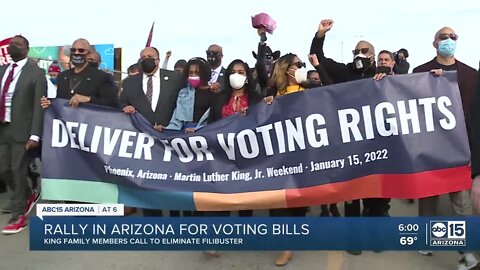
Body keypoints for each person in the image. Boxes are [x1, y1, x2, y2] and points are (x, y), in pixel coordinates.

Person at [310, 20, 382, 255]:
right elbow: (317, 54)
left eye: (364, 51)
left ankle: (374, 234)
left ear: (373, 55)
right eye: (356, 51)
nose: (359, 55)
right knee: (353, 195)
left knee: (375, 197)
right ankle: (354, 238)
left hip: (376, 146)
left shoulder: (381, 75)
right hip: (350, 145)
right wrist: (320, 34)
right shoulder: (344, 72)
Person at [412, 27, 478, 269]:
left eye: (453, 37)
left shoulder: (471, 74)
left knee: (462, 204)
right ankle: (425, 240)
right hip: (430, 150)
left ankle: (466, 253)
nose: (448, 40)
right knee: (428, 200)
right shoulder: (419, 72)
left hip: (461, 150)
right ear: (434, 43)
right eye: (443, 36)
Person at [120, 46, 184, 217]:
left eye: (150, 56)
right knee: (148, 187)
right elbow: (121, 103)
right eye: (142, 57)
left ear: (157, 59)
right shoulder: (129, 83)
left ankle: (175, 224)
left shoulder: (175, 78)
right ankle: (152, 225)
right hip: (144, 143)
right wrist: (125, 107)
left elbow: (187, 100)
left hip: (169, 140)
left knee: (172, 187)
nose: (146, 59)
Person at [265, 53, 309, 266]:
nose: (301, 67)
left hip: (303, 155)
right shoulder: (273, 94)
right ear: (285, 68)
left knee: (298, 201)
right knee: (280, 203)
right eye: (297, 64)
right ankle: (286, 246)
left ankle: (294, 239)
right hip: (279, 158)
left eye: (302, 64)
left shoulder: (310, 90)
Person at [0, 35, 46, 234]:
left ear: (26, 49)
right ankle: (26, 194)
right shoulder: (2, 70)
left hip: (22, 130)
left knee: (17, 171)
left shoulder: (36, 74)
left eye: (17, 44)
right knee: (3, 170)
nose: (13, 47)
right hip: (3, 128)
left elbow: (39, 106)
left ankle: (18, 216)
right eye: (11, 44)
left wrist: (35, 135)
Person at [41, 38, 117, 108]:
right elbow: (59, 103)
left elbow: (112, 103)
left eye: (81, 50)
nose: (76, 53)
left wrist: (88, 99)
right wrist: (50, 104)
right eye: (73, 50)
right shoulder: (62, 76)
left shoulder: (101, 77)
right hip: (66, 121)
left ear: (89, 54)